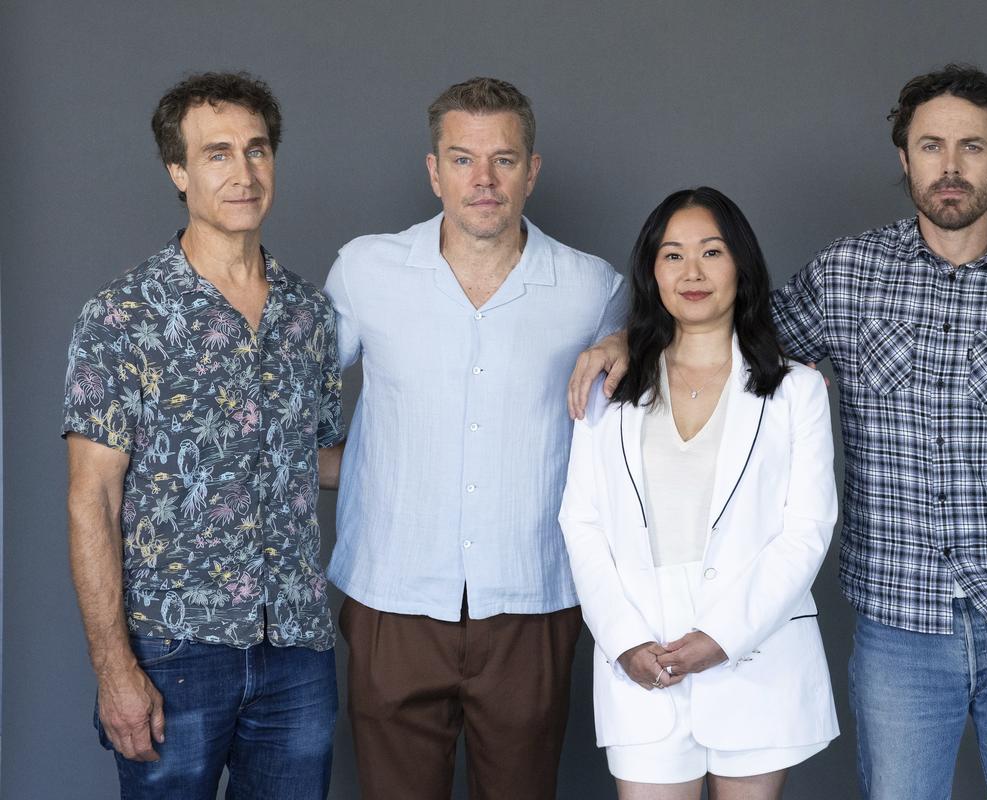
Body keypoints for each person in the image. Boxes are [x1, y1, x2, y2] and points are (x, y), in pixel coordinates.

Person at [569, 65, 987, 799]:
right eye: (931, 146)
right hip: (899, 622)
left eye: (973, 146)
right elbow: (728, 329)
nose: (951, 166)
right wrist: (623, 342)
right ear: (905, 158)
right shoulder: (848, 274)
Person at [321, 77, 625, 799]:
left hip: (533, 596)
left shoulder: (593, 288)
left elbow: (634, 438)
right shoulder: (366, 269)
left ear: (533, 169)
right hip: (391, 593)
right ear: (433, 170)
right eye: (462, 159)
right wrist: (351, 466)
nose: (483, 181)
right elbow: (281, 395)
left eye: (504, 160)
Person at [63, 72, 344, 799]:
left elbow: (315, 460)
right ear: (179, 172)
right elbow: (91, 497)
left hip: (297, 649)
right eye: (217, 154)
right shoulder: (122, 316)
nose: (244, 173)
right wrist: (113, 668)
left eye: (257, 150)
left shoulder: (308, 314)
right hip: (172, 648)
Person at [560, 187, 839, 799]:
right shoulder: (610, 389)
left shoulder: (796, 391)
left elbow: (807, 530)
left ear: (741, 264)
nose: (692, 272)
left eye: (712, 252)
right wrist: (623, 639)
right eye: (672, 255)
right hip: (641, 657)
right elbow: (580, 523)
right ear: (651, 271)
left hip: (757, 653)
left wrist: (725, 637)